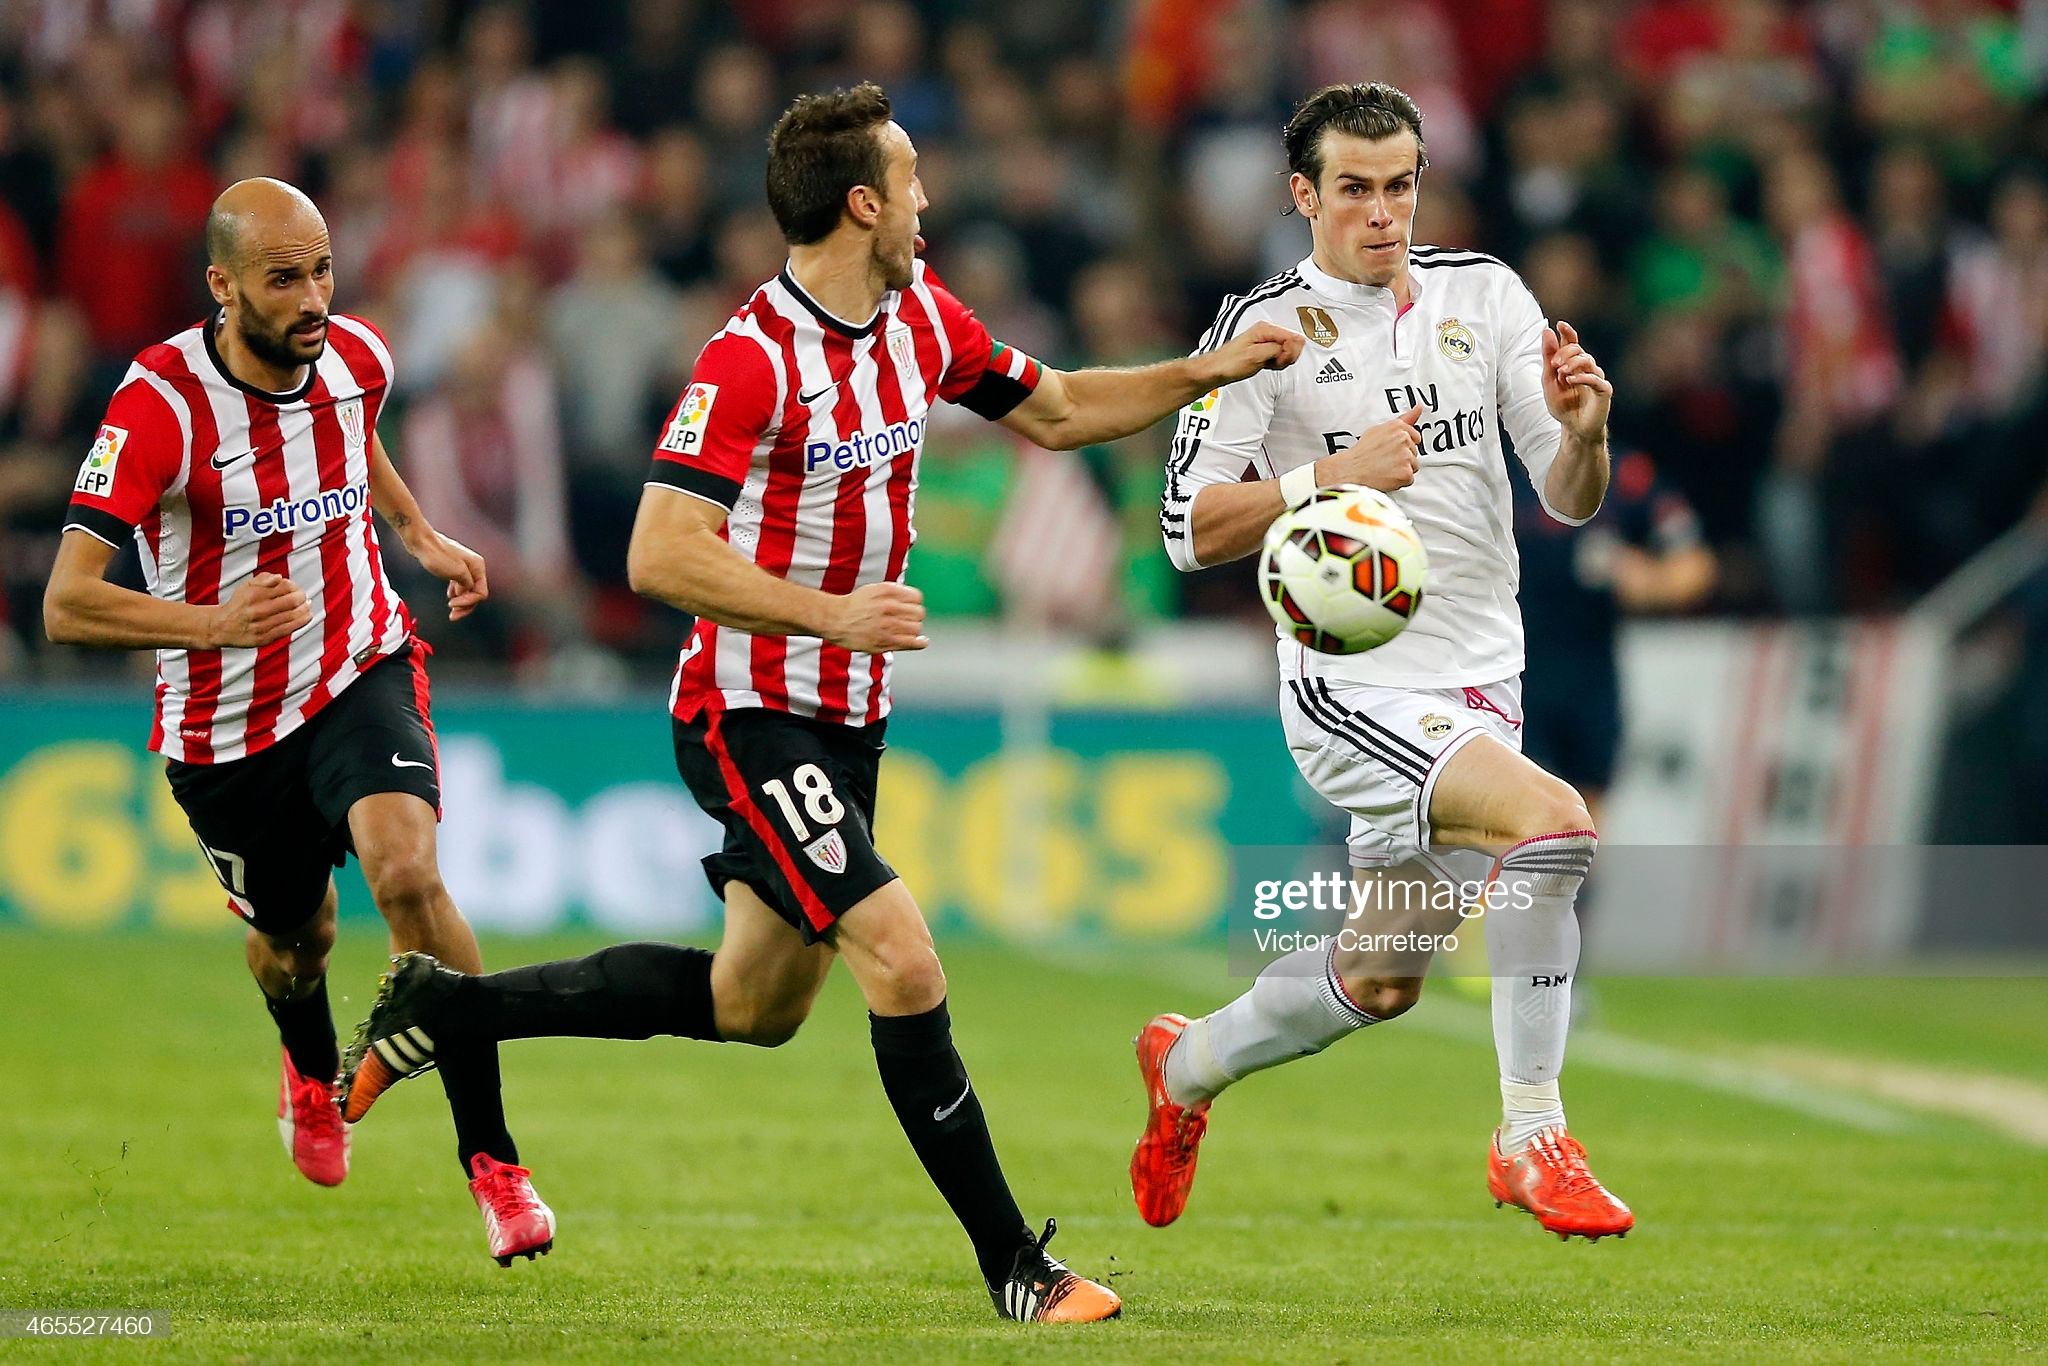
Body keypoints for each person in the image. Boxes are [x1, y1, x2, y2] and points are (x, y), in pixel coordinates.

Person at [335, 83, 1302, 1320]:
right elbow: (656, 552)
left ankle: (449, 1001)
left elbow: (1055, 409)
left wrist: (1205, 370)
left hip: (846, 720)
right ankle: (1017, 1265)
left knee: (754, 1005)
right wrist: (831, 612)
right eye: (908, 180)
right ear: (862, 202)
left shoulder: (919, 319)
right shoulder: (745, 359)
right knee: (899, 955)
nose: (925, 199)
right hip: (748, 706)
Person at [1136, 83, 1634, 1241]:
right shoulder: (1260, 333)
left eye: (1398, 183)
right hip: (1351, 681)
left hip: (1482, 679)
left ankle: (1185, 1065)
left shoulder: (1485, 294)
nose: (1380, 210)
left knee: (1383, 976)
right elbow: (1186, 528)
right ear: (1302, 195)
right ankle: (1530, 1137)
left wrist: (1587, 434)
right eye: (1352, 187)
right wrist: (1331, 476)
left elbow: (1564, 498)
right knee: (1552, 830)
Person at [41, 178, 554, 1267]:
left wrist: (419, 530)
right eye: (285, 278)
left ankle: (495, 1163)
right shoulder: (158, 405)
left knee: (408, 874)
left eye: (322, 269)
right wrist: (210, 622)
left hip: (356, 661)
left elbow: (351, 438)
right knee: (295, 940)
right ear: (223, 286)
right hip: (225, 727)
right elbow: (66, 600)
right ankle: (309, 1070)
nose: (314, 296)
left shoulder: (357, 357)